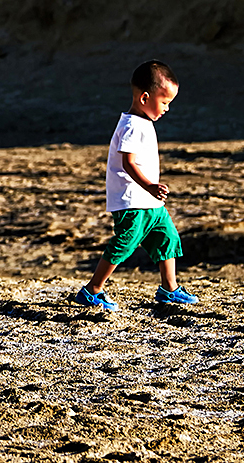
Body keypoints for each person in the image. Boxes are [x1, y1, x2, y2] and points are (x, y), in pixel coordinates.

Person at [71, 60, 197, 311]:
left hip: (150, 202)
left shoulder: (144, 123)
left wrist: (152, 192)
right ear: (144, 98)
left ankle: (169, 289)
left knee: (167, 238)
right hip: (131, 200)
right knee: (125, 242)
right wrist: (150, 186)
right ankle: (92, 290)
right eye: (164, 102)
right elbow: (127, 162)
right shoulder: (131, 124)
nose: (167, 109)